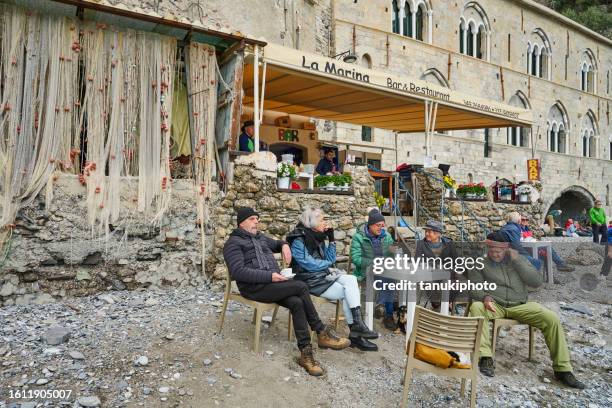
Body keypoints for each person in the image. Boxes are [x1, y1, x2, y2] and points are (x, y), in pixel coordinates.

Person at [223, 207, 350, 376]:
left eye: (258, 219)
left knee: (296, 303)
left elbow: (277, 243)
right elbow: (238, 272)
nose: (257, 222)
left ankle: (306, 354)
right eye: (253, 219)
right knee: (300, 286)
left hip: (272, 286)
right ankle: (320, 331)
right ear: (242, 222)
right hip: (253, 288)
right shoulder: (233, 243)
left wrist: (284, 246)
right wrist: (270, 276)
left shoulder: (260, 238)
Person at [468, 232, 585, 389]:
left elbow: (536, 281)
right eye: (492, 250)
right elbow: (473, 286)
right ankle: (485, 357)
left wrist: (517, 260)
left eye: (499, 250)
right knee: (476, 308)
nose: (495, 254)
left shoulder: (518, 260)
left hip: (521, 305)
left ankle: (563, 369)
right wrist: (485, 297)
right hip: (495, 305)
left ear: (507, 249)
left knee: (551, 318)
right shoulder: (479, 262)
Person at [287, 208, 379, 351]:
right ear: (312, 222)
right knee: (349, 289)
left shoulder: (317, 236)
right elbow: (308, 264)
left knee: (350, 282)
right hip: (308, 280)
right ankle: (356, 333)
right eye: (322, 220)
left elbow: (331, 259)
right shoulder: (298, 239)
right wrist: (328, 264)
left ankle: (357, 329)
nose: (325, 223)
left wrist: (331, 239)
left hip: (322, 276)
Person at [350, 208, 397, 331]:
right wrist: (374, 263)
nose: (380, 228)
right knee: (388, 279)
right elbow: (356, 258)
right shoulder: (358, 237)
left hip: (384, 270)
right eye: (378, 225)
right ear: (370, 225)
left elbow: (393, 254)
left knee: (392, 279)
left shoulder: (386, 236)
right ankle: (386, 312)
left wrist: (394, 256)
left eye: (382, 225)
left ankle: (383, 309)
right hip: (366, 271)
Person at [414, 219, 460, 309]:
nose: (426, 234)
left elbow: (456, 261)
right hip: (429, 275)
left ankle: (447, 303)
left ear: (438, 233)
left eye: (429, 232)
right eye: (426, 231)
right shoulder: (421, 244)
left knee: (458, 283)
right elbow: (417, 262)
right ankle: (437, 303)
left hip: (446, 274)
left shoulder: (449, 244)